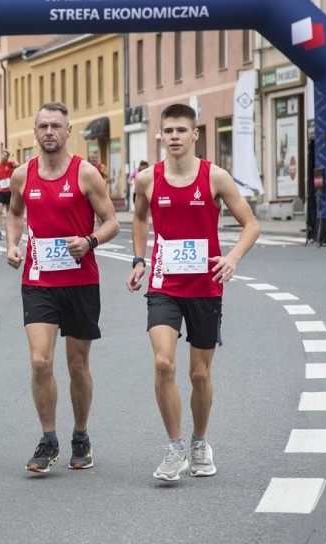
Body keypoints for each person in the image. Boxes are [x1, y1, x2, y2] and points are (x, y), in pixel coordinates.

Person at [125, 103, 259, 483]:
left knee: (199, 375)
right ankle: (175, 447)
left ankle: (200, 442)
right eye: (168, 131)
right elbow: (138, 218)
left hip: (205, 287)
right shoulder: (147, 180)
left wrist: (232, 257)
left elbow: (251, 224)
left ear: (195, 134)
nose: (174, 137)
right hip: (164, 286)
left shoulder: (215, 177)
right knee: (164, 363)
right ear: (161, 135)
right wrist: (139, 259)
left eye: (181, 131)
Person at [6, 102, 120, 474]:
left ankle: (81, 434)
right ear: (35, 132)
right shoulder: (22, 175)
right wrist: (13, 244)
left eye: (56, 125)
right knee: (40, 360)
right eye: (43, 126)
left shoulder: (86, 174)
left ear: (69, 130)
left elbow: (111, 222)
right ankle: (49, 438)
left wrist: (90, 241)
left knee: (77, 365)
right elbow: (15, 212)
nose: (49, 132)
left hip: (80, 280)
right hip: (39, 281)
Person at [0, 149, 17, 240]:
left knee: (9, 212)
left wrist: (13, 156)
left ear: (7, 157)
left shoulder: (9, 164)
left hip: (9, 191)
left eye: (5, 156)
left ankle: (9, 229)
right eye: (2, 155)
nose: (3, 157)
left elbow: (18, 165)